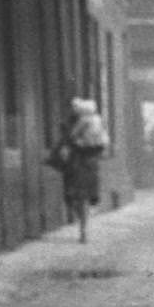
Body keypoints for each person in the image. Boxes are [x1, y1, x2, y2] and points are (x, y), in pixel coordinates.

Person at [48, 97, 108, 243]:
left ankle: (83, 228)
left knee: (78, 196)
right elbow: (103, 143)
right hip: (87, 164)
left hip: (78, 164)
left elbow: (68, 139)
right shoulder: (96, 121)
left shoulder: (81, 123)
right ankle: (84, 225)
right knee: (81, 197)